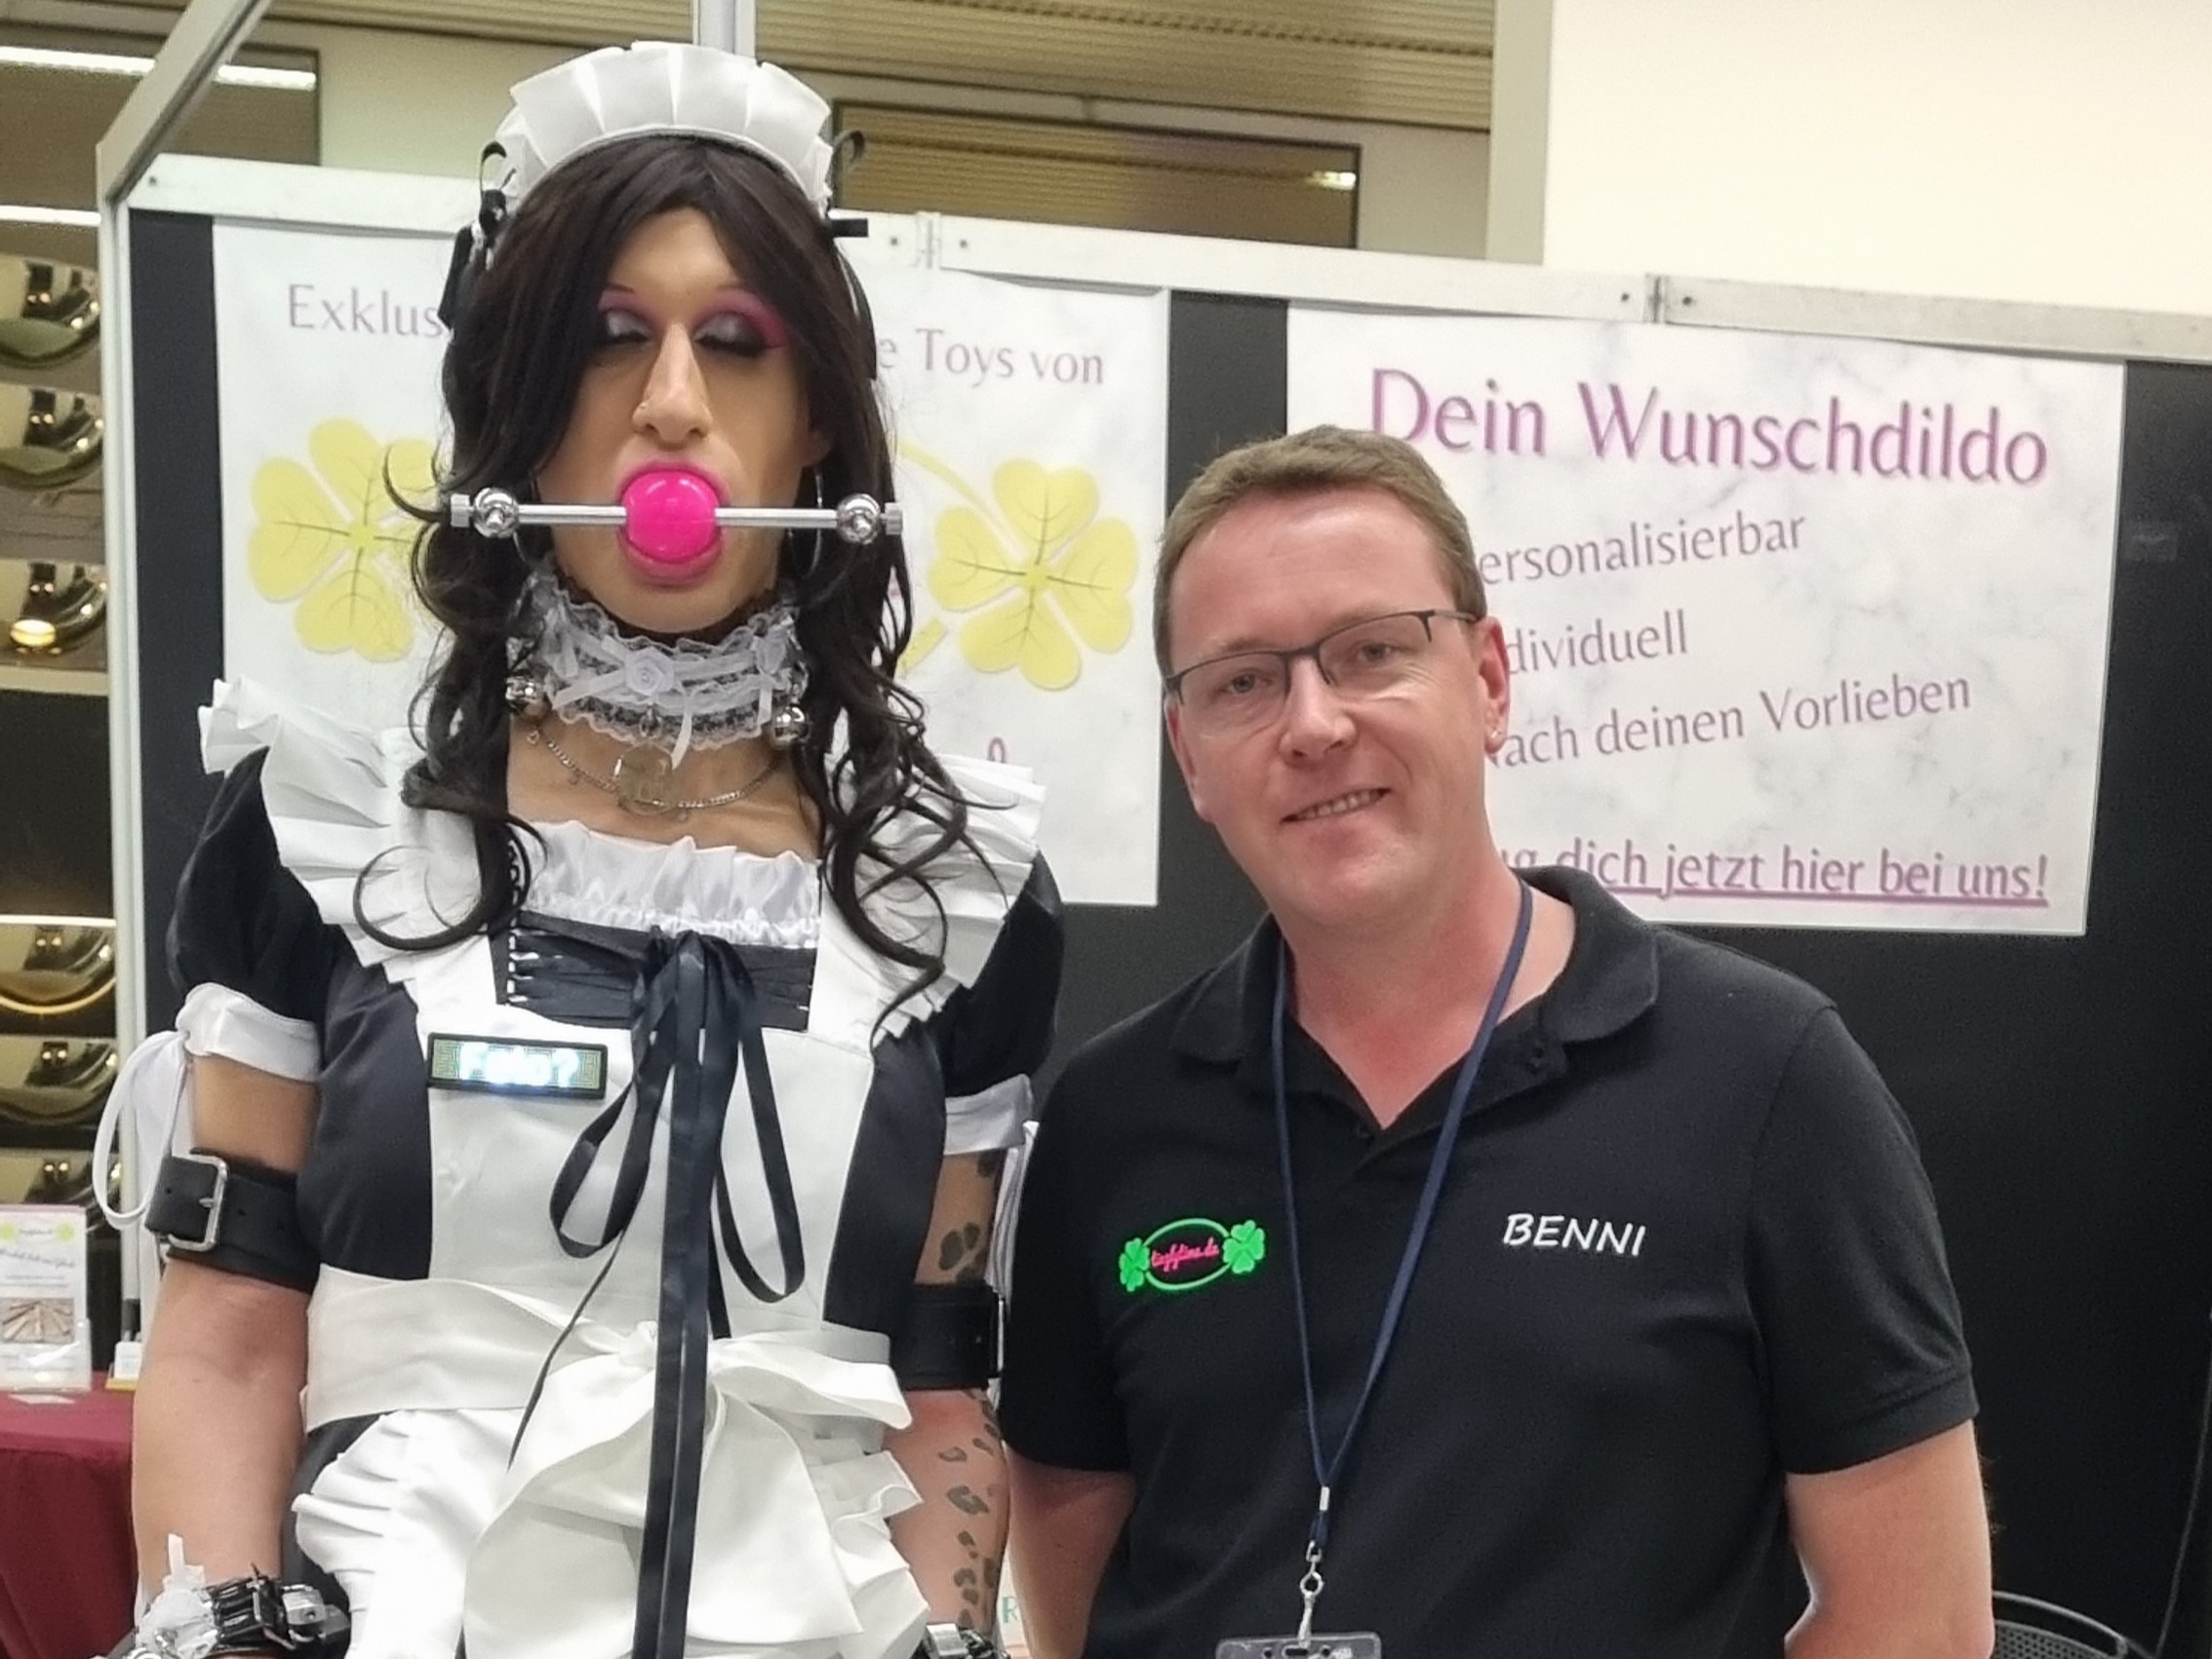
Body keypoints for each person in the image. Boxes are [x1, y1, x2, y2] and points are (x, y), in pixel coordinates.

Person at [121, 41, 1057, 1659]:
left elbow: (937, 1381)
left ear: (815, 422)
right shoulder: (325, 844)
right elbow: (229, 1325)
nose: (672, 404)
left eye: (736, 342)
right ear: (518, 408)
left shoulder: (947, 898)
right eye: (611, 336)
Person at [999, 425, 1992, 1659]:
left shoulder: (1765, 1079)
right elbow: (1074, 1589)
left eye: (1372, 651)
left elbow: (1920, 1623)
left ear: (1490, 681)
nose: (1313, 723)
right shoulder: (1111, 1120)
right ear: (1189, 754)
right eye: (1243, 681)